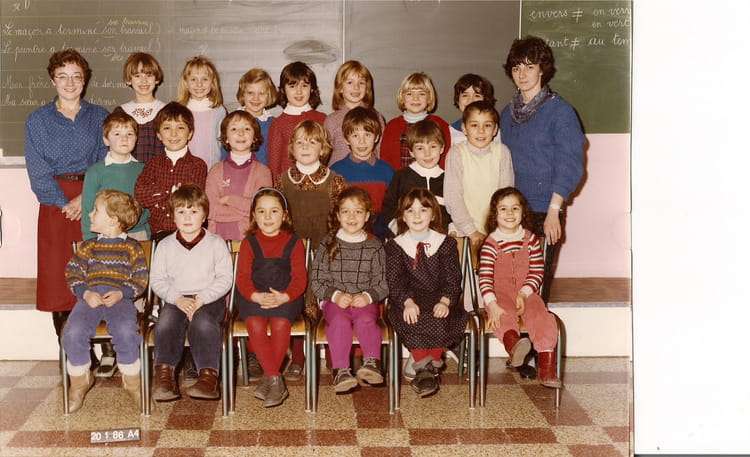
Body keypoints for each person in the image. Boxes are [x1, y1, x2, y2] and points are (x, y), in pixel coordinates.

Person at [24, 49, 109, 358]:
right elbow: (38, 172)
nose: (70, 83)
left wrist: (85, 197)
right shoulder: (37, 121)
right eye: (62, 76)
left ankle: (107, 350)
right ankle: (73, 354)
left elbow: (106, 160)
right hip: (55, 207)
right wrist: (65, 203)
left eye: (76, 76)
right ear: (52, 80)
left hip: (95, 201)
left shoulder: (100, 116)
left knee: (98, 273)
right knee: (59, 278)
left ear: (85, 80)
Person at [499, 36, 585, 300]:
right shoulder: (506, 113)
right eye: (516, 68)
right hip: (511, 211)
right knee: (509, 289)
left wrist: (553, 211)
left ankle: (540, 331)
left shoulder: (560, 112)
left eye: (529, 66)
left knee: (534, 292)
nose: (522, 74)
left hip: (543, 211)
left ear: (542, 69)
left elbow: (569, 162)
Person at [61, 189, 148, 412]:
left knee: (126, 331)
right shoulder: (88, 246)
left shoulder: (132, 247)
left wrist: (122, 293)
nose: (90, 214)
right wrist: (85, 293)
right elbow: (72, 273)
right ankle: (79, 382)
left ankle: (132, 382)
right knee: (73, 332)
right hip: (89, 299)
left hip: (119, 300)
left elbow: (140, 279)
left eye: (96, 210)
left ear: (113, 220)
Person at [274, 120, 346, 380]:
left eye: (312, 142)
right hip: (292, 255)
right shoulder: (282, 181)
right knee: (297, 304)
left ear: (323, 148)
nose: (305, 147)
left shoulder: (335, 180)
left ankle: (335, 357)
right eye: (300, 142)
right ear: (292, 148)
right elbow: (276, 220)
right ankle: (298, 357)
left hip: (327, 254)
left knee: (329, 305)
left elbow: (342, 219)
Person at [150, 184, 233, 401]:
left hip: (209, 300)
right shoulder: (165, 245)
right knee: (165, 323)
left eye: (194, 211)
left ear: (204, 216)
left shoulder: (216, 243)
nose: (187, 218)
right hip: (176, 299)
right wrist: (177, 299)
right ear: (173, 216)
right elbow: (157, 280)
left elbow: (225, 279)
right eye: (181, 212)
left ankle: (208, 378)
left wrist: (202, 299)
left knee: (203, 323)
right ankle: (165, 378)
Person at [385, 188, 466, 397]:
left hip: (440, 297)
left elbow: (453, 278)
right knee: (412, 317)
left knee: (440, 317)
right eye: (410, 211)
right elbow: (395, 280)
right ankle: (425, 369)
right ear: (403, 216)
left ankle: (425, 368)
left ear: (433, 214)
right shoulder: (396, 246)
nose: (417, 216)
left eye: (423, 210)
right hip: (409, 299)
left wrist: (446, 301)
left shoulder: (445, 243)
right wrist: (407, 301)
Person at [477, 187, 561, 388]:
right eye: (503, 209)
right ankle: (514, 346)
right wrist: (492, 305)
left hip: (527, 293)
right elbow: (485, 279)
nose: (510, 213)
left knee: (541, 316)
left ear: (523, 213)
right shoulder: (490, 244)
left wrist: (524, 293)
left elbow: (537, 271)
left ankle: (546, 368)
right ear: (494, 214)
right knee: (503, 315)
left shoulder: (530, 239)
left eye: (515, 208)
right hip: (498, 295)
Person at [310, 187, 388, 393]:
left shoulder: (374, 246)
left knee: (366, 320)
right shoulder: (328, 242)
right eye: (346, 211)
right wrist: (335, 296)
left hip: (364, 301)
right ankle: (341, 370)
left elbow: (383, 282)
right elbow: (317, 281)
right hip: (335, 302)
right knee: (339, 321)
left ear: (367, 216)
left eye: (358, 212)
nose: (352, 217)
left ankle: (371, 362)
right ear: (338, 215)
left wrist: (368, 296)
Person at [235, 188, 307, 407]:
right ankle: (275, 379)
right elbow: (242, 279)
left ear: (284, 215)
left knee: (280, 324)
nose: (267, 217)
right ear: (254, 216)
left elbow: (300, 279)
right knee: (255, 323)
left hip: (285, 296)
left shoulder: (294, 242)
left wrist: (285, 297)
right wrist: (256, 296)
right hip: (254, 295)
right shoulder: (249, 242)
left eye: (274, 211)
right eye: (261, 211)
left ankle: (270, 379)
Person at [444, 100, 514, 251]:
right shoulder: (456, 153)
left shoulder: (502, 152)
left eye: (487, 125)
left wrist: (498, 229)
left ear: (495, 129)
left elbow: (506, 196)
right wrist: (471, 231)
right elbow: (453, 197)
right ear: (464, 128)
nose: (481, 131)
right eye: (474, 125)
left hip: (496, 231)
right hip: (464, 230)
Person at [134, 102, 208, 239]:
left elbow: (192, 201)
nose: (174, 134)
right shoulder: (153, 164)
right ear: (159, 135)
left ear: (190, 133)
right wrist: (170, 190)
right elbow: (141, 195)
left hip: (189, 233)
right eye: (167, 128)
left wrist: (157, 198)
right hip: (158, 233)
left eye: (180, 128)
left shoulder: (198, 165)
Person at [82, 111, 151, 242]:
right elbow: (87, 209)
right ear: (106, 140)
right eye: (117, 134)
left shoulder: (145, 170)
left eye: (129, 134)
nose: (124, 139)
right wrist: (89, 240)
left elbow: (148, 206)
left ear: (136, 138)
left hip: (138, 234)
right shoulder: (95, 172)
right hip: (105, 235)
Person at [206, 110, 273, 241]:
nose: (241, 133)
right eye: (234, 129)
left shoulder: (263, 172)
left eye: (247, 129)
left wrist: (229, 200)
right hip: (218, 242)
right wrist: (247, 210)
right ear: (225, 138)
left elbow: (262, 209)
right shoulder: (215, 171)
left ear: (254, 137)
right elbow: (210, 210)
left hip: (251, 243)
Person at [330, 107, 394, 238]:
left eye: (367, 135)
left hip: (380, 238)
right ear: (346, 139)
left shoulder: (387, 171)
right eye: (355, 136)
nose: (362, 141)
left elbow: (393, 211)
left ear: (376, 137)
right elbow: (332, 211)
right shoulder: (336, 171)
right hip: (347, 237)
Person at [382, 119, 451, 235]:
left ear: (442, 148)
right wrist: (398, 229)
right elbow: (388, 207)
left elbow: (454, 211)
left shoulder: (448, 179)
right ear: (411, 152)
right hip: (407, 237)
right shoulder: (402, 176)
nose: (427, 153)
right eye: (420, 148)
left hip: (440, 238)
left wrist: (452, 230)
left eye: (433, 147)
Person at [380, 72, 452, 171]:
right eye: (409, 94)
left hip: (431, 179)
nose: (415, 98)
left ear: (429, 98)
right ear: (402, 98)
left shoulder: (440, 124)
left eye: (421, 94)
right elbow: (385, 160)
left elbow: (446, 158)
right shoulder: (392, 126)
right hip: (400, 179)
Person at [267, 61, 327, 178]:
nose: (299, 91)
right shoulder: (277, 124)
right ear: (283, 90)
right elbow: (274, 166)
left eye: (304, 86)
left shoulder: (322, 119)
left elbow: (326, 157)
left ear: (312, 89)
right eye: (292, 86)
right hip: (289, 184)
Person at [324, 61, 386, 166]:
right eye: (350, 82)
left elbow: (381, 151)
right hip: (339, 174)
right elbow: (324, 154)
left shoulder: (376, 117)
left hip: (369, 172)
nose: (356, 87)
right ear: (340, 88)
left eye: (361, 83)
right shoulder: (331, 120)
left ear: (367, 88)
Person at [113, 52, 166, 163]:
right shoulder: (121, 112)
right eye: (137, 76)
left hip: (159, 171)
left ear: (156, 79)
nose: (144, 81)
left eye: (149, 75)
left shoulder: (166, 111)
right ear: (129, 80)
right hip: (129, 171)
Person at [176, 56, 227, 168]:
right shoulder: (179, 110)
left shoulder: (219, 111)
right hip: (184, 169)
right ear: (186, 83)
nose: (199, 84)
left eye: (205, 79)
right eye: (193, 79)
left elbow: (223, 143)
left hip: (212, 167)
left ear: (212, 83)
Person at [233, 68, 279, 166]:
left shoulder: (273, 124)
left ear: (269, 95)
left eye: (261, 93)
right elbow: (225, 152)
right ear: (242, 94)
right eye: (250, 93)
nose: (256, 98)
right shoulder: (232, 121)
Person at [448, 73, 499, 146]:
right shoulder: (450, 131)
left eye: (477, 95)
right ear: (457, 100)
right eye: (465, 95)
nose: (470, 100)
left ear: (485, 100)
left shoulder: (493, 130)